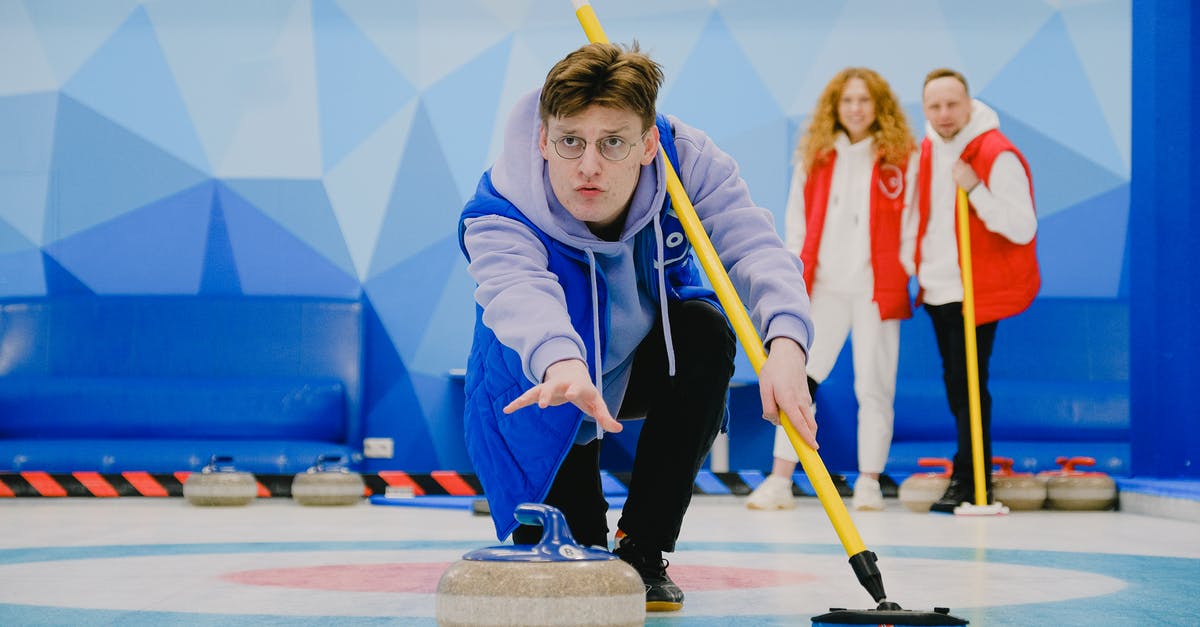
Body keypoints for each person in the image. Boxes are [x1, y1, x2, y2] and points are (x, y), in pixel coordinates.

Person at [457, 42, 817, 612]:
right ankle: (581, 531)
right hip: (546, 378)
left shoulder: (686, 159)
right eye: (570, 141)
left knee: (705, 328)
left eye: (613, 142)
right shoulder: (500, 208)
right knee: (575, 570)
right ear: (542, 141)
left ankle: (644, 546)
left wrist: (789, 346)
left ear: (648, 144)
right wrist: (563, 363)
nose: (589, 165)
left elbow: (752, 245)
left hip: (645, 357)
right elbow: (518, 294)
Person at [745, 68, 917, 513]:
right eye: (848, 101)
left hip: (877, 289)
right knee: (798, 379)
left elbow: (914, 223)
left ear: (879, 106)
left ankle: (870, 482)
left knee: (874, 387)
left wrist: (904, 267)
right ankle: (781, 479)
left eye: (864, 100)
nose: (856, 108)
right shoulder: (816, 159)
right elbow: (796, 226)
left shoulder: (900, 159)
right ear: (835, 108)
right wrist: (794, 281)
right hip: (823, 287)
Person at [910, 68, 1039, 513]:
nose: (944, 114)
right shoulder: (928, 150)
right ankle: (968, 474)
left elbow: (1023, 228)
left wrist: (976, 189)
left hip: (973, 291)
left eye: (952, 104)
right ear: (924, 109)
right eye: (934, 106)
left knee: (969, 386)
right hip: (937, 288)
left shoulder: (994, 153)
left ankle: (970, 480)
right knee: (956, 387)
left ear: (969, 104)